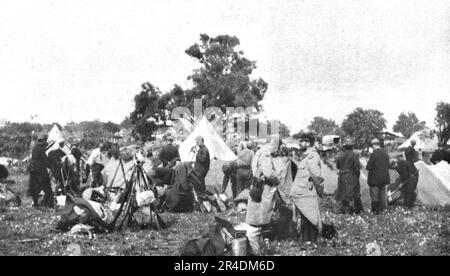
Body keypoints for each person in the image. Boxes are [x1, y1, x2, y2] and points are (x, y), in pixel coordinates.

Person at [289, 135, 322, 243]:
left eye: (302, 141)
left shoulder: (312, 156)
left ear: (308, 143)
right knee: (305, 218)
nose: (300, 143)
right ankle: (306, 241)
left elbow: (316, 176)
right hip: (302, 193)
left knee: (310, 218)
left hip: (308, 192)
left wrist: (320, 191)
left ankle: (311, 243)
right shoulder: (306, 155)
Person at [246, 135, 281, 228]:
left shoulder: (259, 151)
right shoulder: (266, 154)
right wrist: (277, 180)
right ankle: (262, 234)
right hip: (264, 186)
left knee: (255, 211)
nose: (276, 150)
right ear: (273, 144)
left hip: (256, 184)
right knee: (263, 212)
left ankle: (255, 233)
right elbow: (269, 173)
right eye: (276, 147)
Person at [335, 138, 363, 214]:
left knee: (343, 194)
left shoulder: (340, 155)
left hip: (341, 176)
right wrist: (356, 176)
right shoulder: (353, 155)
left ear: (345, 146)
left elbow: (337, 166)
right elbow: (357, 167)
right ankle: (357, 211)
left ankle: (344, 211)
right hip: (350, 176)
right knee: (355, 193)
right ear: (352, 146)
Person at [28, 133, 53, 209]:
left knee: (35, 189)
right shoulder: (41, 149)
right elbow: (45, 160)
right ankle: (45, 205)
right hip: (40, 171)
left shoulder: (35, 147)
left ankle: (36, 205)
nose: (47, 142)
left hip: (33, 170)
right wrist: (51, 167)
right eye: (46, 140)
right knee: (47, 189)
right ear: (43, 140)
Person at [366, 138, 390, 214]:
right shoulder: (386, 154)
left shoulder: (373, 154)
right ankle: (383, 211)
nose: (372, 147)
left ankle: (375, 213)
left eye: (372, 145)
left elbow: (368, 167)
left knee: (375, 197)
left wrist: (368, 161)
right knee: (383, 196)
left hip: (374, 180)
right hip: (384, 179)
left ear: (374, 145)